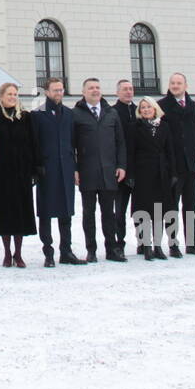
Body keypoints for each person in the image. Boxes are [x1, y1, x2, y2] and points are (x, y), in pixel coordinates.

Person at [72, 77, 127, 262]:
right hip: (87, 172)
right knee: (88, 214)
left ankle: (111, 249)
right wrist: (75, 169)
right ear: (83, 92)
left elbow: (120, 142)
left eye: (97, 87)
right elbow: (71, 145)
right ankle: (91, 250)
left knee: (109, 214)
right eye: (91, 88)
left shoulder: (111, 113)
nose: (95, 90)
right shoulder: (76, 114)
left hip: (109, 172)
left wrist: (121, 165)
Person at [31, 78, 84, 267]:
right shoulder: (37, 114)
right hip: (46, 170)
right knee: (46, 213)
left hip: (66, 169)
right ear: (47, 92)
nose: (59, 93)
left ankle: (66, 251)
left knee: (66, 212)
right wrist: (36, 168)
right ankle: (48, 253)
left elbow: (73, 142)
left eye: (61, 90)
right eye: (55, 90)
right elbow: (34, 143)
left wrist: (75, 168)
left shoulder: (69, 114)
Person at [0, 82, 38, 267]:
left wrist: (34, 169)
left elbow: (33, 143)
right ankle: (7, 253)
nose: (13, 97)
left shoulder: (25, 117)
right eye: (9, 94)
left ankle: (19, 253)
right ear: (1, 96)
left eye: (15, 94)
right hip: (0, 174)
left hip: (22, 173)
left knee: (21, 214)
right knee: (4, 214)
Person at [158, 73, 195, 256]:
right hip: (173, 165)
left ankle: (191, 243)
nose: (175, 86)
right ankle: (173, 244)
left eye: (179, 83)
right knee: (172, 206)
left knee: (190, 205)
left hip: (191, 163)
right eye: (172, 83)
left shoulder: (193, 105)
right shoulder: (162, 105)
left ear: (186, 85)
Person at [129, 96, 179, 260]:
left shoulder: (164, 126)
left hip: (161, 173)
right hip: (142, 174)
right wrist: (131, 175)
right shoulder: (134, 127)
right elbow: (130, 153)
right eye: (142, 107)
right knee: (144, 212)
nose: (145, 110)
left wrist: (173, 173)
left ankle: (158, 246)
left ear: (155, 109)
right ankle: (146, 246)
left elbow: (170, 151)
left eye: (148, 107)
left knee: (159, 212)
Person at [112, 79, 140, 254]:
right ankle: (119, 243)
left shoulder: (140, 110)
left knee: (140, 209)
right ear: (117, 92)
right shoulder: (112, 112)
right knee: (119, 211)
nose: (128, 92)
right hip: (120, 170)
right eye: (124, 89)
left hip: (140, 169)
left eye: (130, 89)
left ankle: (143, 242)